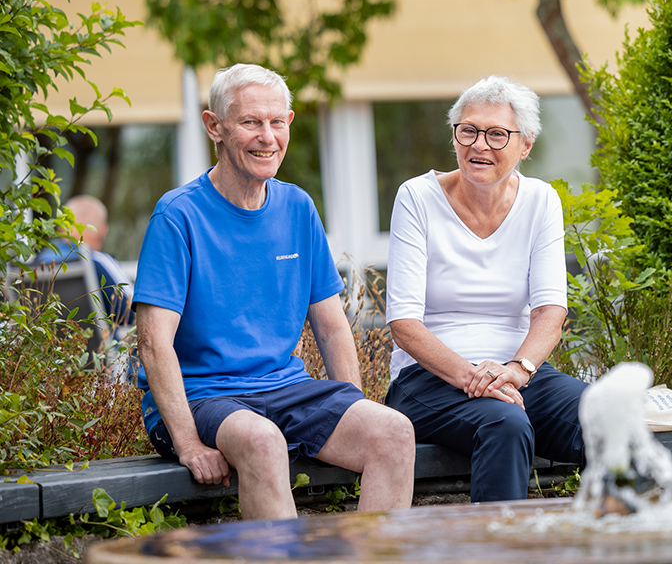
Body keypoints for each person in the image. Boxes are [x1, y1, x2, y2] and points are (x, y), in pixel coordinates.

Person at [133, 63, 415, 520]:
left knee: (394, 432)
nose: (268, 136)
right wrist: (187, 442)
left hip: (286, 388)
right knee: (264, 441)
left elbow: (332, 327)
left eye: (277, 122)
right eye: (250, 122)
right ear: (214, 127)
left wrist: (348, 409)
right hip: (205, 396)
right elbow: (153, 342)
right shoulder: (178, 216)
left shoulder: (298, 207)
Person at [385, 75, 589, 503]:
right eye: (469, 131)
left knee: (603, 415)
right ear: (455, 136)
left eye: (497, 134)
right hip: (427, 378)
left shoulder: (541, 200)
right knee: (505, 424)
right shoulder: (417, 198)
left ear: (525, 145)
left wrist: (516, 370)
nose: (480, 145)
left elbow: (551, 310)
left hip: (514, 375)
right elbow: (403, 323)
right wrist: (474, 379)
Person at [35, 194, 135, 327]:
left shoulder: (38, 263)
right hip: (98, 347)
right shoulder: (97, 261)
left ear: (61, 227)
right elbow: (133, 312)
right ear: (103, 230)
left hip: (46, 345)